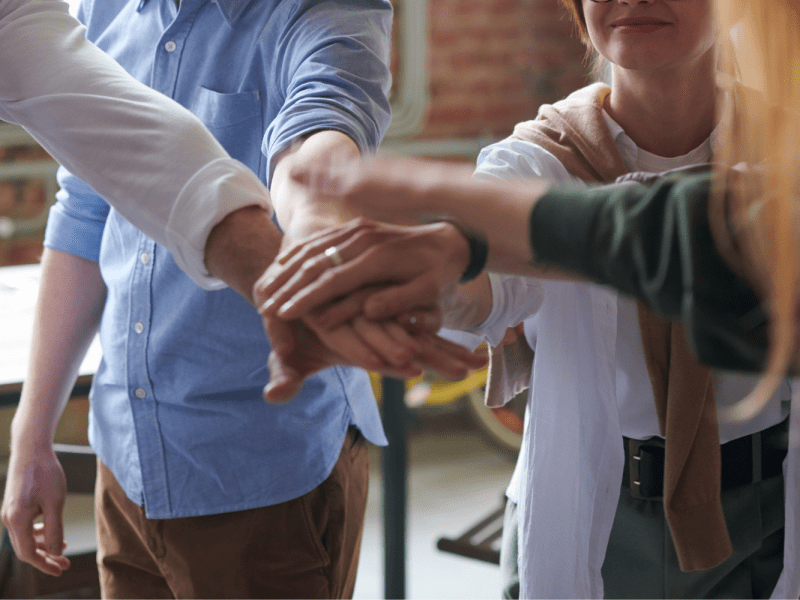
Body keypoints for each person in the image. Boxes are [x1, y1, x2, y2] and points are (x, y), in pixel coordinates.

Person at [255, 0, 800, 598]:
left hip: (761, 512)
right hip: (596, 509)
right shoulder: (538, 158)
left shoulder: (785, 155)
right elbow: (482, 279)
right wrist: (408, 285)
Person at [0, 0, 486, 597]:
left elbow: (322, 128)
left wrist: (307, 238)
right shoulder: (103, 9)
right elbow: (85, 206)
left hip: (258, 471)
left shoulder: (327, 10)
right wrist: (33, 432)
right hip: (127, 457)